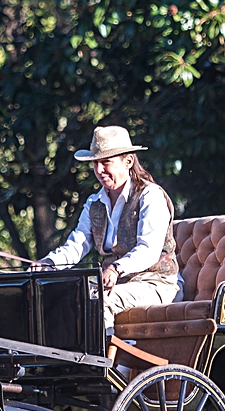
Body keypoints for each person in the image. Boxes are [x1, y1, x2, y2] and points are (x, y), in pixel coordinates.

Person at [32, 125, 182, 332]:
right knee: (63, 297)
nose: (99, 170)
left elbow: (149, 250)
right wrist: (50, 263)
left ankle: (106, 363)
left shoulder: (151, 196)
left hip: (157, 283)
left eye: (106, 162)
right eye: (95, 163)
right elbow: (78, 244)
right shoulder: (95, 202)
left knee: (99, 300)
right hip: (118, 284)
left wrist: (116, 268)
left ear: (128, 161)